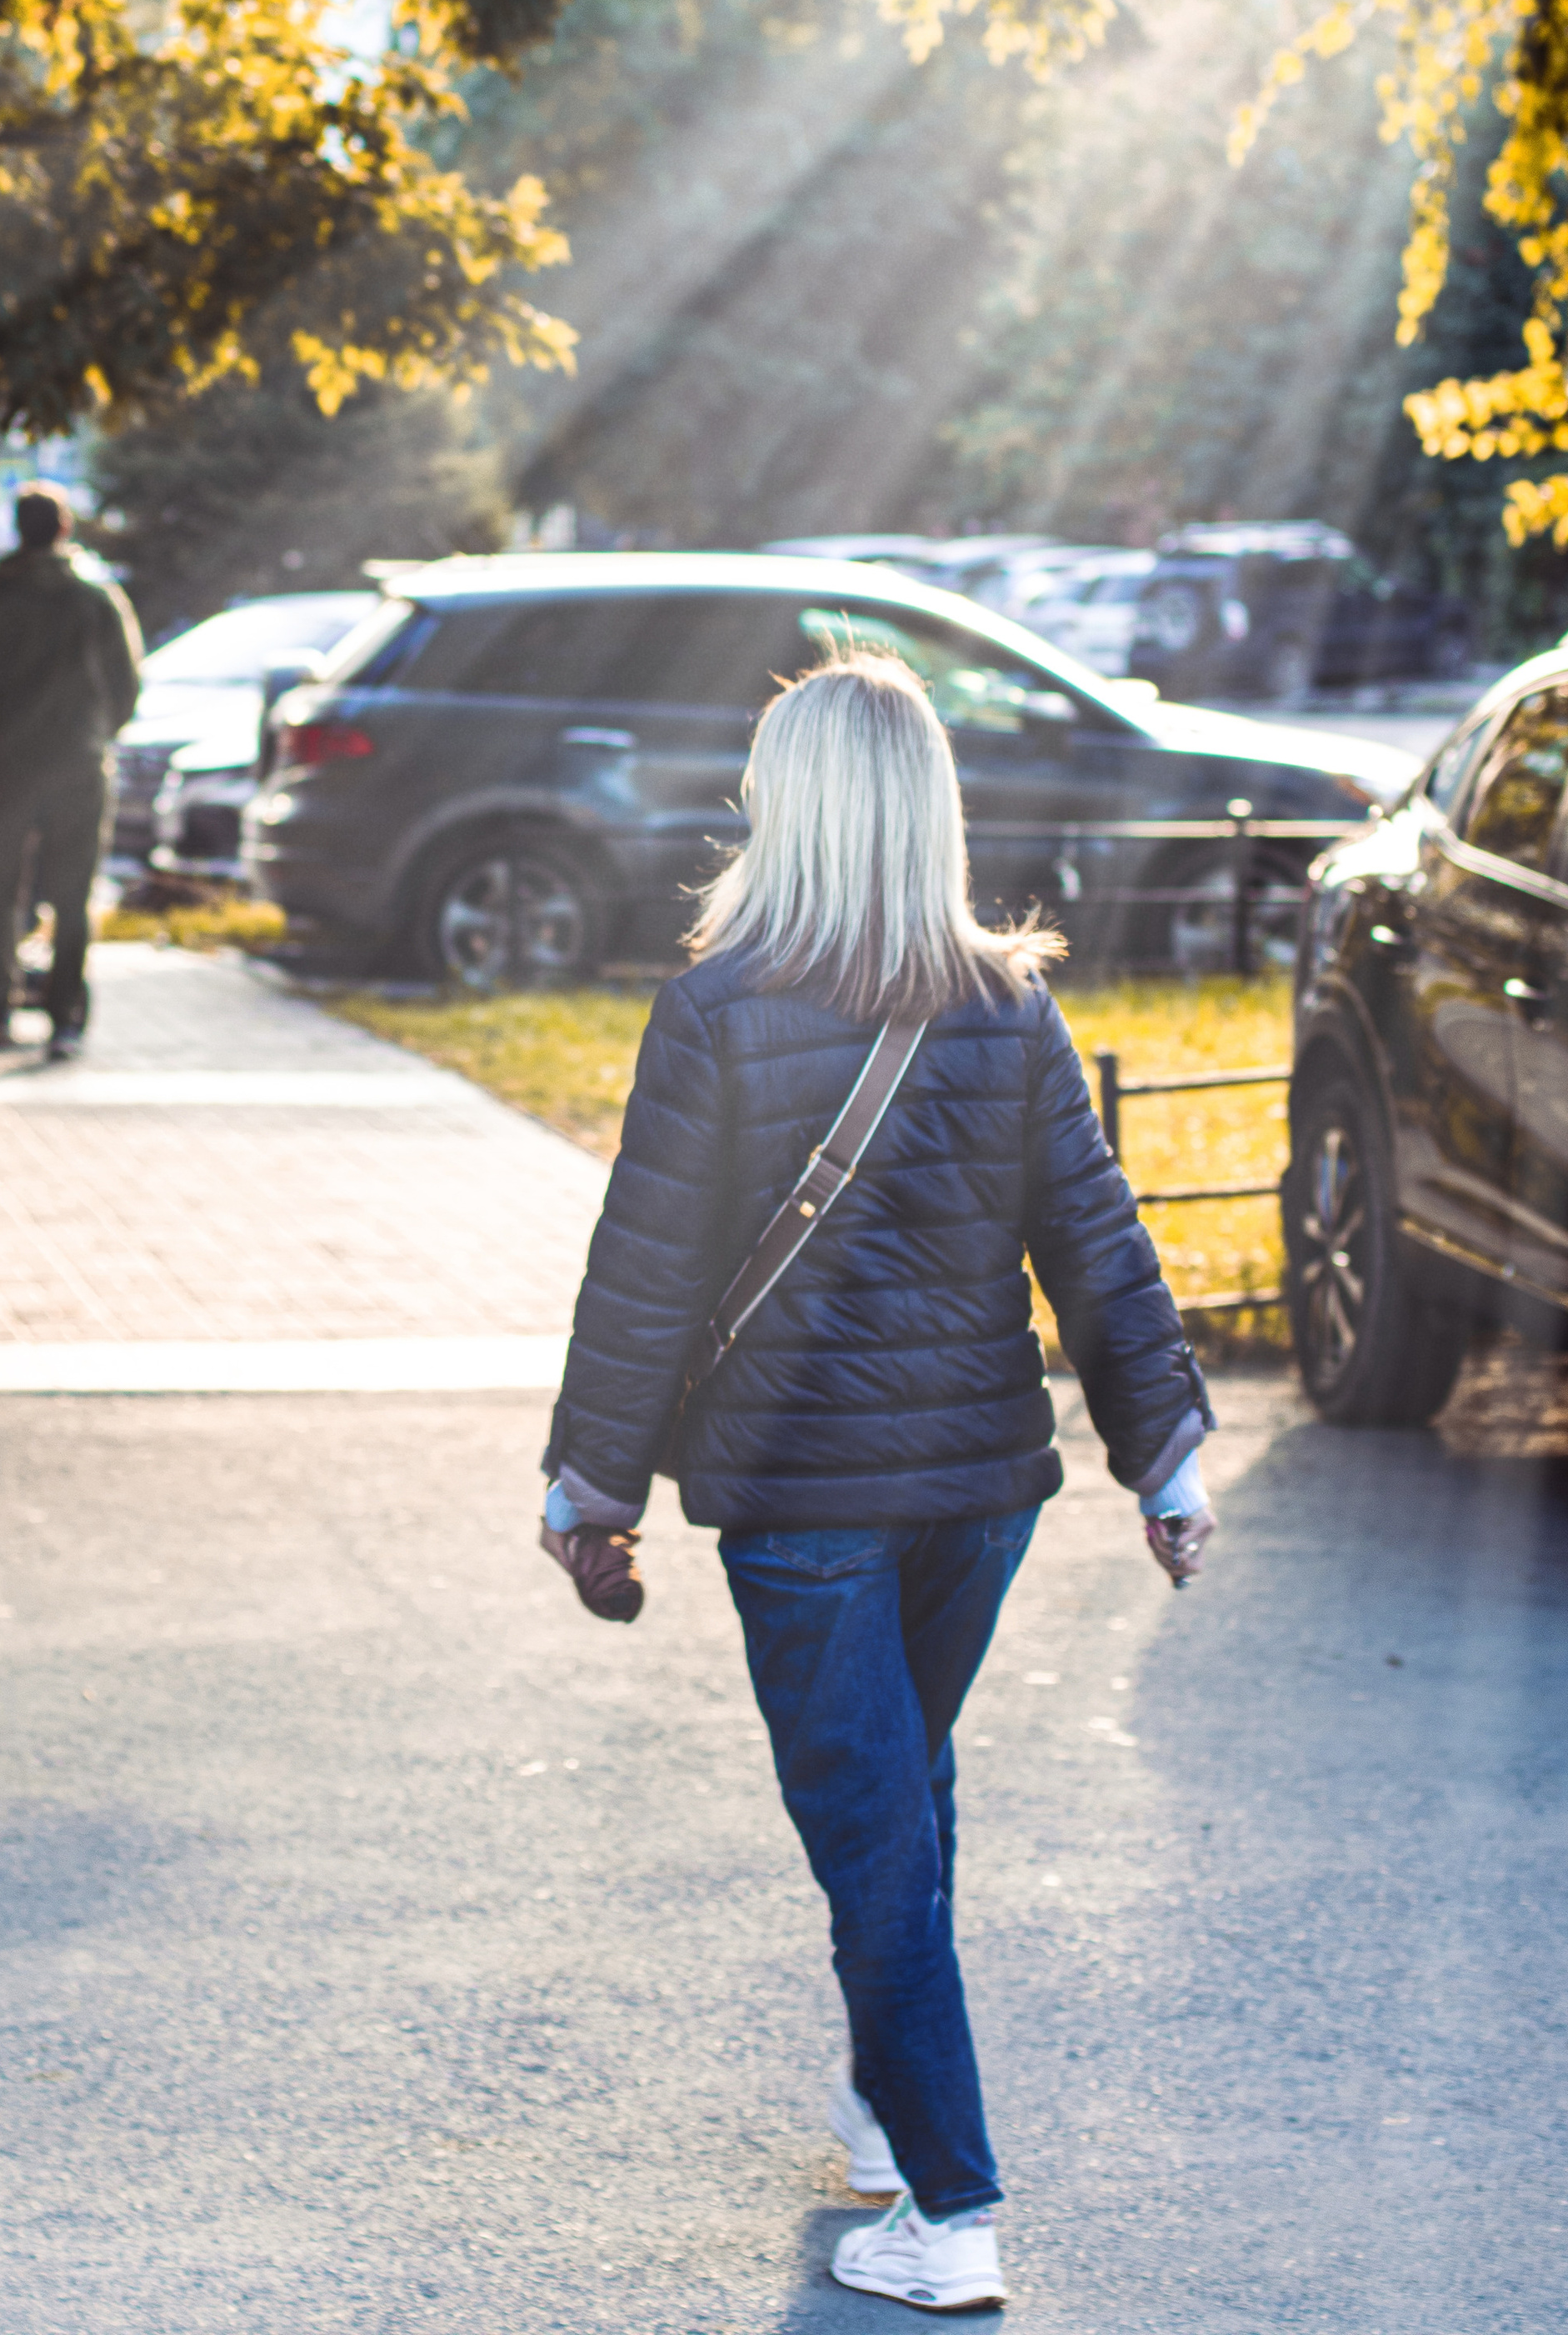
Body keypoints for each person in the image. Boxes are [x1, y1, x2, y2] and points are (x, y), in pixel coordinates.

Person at [539, 651, 1216, 2315]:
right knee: (900, 1792)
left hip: (802, 1502)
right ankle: (877, 2098)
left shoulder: (716, 1003)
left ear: (791, 809)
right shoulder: (1006, 1002)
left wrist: (587, 1482)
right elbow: (1096, 1243)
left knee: (865, 1833)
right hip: (978, 1489)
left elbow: (647, 1265)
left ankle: (951, 2203)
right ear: (924, 812)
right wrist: (1166, 1452)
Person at [0, 486, 142, 1058]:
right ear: (64, 530)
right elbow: (128, 686)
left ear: (18, 530)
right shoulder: (96, 599)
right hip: (81, 763)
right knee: (73, 892)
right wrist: (99, 735)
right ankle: (64, 1019)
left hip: (15, 761)